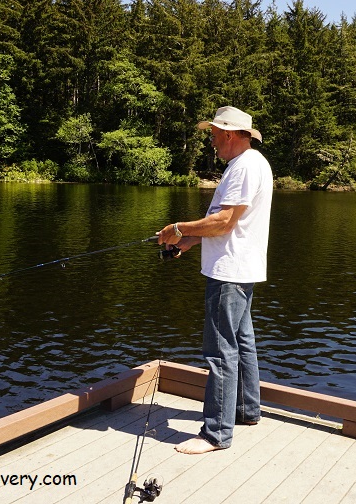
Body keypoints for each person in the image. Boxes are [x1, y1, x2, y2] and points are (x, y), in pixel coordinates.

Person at [156, 106, 273, 455]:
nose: (211, 140)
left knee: (220, 351)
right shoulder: (252, 165)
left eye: (213, 133)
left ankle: (216, 434)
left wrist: (178, 229)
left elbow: (223, 222)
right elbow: (227, 225)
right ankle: (246, 411)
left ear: (230, 133)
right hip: (241, 270)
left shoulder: (244, 167)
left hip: (228, 274)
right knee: (242, 341)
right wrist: (187, 243)